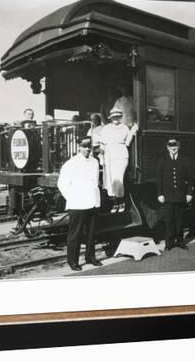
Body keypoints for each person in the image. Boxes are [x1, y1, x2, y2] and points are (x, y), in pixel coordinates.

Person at [57, 137, 103, 271]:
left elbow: (95, 181)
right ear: (79, 147)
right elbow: (62, 184)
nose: (87, 149)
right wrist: (72, 197)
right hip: (77, 204)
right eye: (84, 147)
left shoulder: (95, 162)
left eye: (89, 147)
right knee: (75, 234)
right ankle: (73, 261)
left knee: (91, 233)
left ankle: (90, 257)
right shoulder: (71, 163)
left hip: (93, 202)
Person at [157, 137, 194, 251]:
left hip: (181, 195)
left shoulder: (185, 160)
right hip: (168, 196)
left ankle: (180, 241)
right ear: (167, 147)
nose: (173, 148)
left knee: (180, 219)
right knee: (169, 220)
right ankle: (169, 243)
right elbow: (159, 179)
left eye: (175, 146)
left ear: (178, 147)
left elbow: (190, 178)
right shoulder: (162, 160)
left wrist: (189, 193)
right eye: (171, 146)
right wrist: (160, 194)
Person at [99, 107, 138, 212]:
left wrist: (133, 130)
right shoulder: (106, 128)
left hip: (120, 154)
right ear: (111, 118)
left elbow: (127, 142)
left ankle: (121, 203)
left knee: (118, 179)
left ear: (120, 117)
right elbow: (102, 145)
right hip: (109, 154)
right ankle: (114, 204)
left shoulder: (124, 128)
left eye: (117, 116)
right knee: (110, 180)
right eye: (113, 117)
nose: (115, 118)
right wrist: (101, 157)